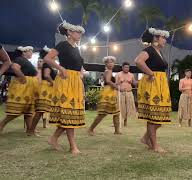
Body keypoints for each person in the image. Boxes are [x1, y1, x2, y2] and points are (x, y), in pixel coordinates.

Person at [44, 21, 86, 155]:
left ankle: (54, 138)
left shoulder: (76, 48)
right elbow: (48, 58)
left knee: (70, 114)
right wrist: (61, 68)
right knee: (69, 112)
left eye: (80, 32)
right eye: (77, 32)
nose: (79, 34)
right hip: (65, 81)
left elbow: (78, 66)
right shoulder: (63, 45)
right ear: (69, 32)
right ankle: (73, 146)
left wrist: (81, 74)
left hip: (75, 82)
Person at [135, 27, 171, 153]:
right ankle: (154, 145)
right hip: (152, 85)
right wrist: (150, 73)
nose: (165, 40)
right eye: (163, 37)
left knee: (161, 117)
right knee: (153, 117)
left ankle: (146, 138)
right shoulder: (149, 50)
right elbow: (138, 61)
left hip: (160, 85)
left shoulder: (159, 51)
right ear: (155, 38)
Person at [0, 46, 38, 135]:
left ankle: (30, 130)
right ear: (24, 52)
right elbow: (14, 67)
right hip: (22, 87)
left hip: (28, 86)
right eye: (30, 51)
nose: (32, 53)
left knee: (28, 110)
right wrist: (22, 76)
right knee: (18, 109)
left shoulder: (25, 61)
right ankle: (1, 124)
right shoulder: (20, 59)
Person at [88, 56, 122, 135]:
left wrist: (117, 84)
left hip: (110, 92)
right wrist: (116, 86)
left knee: (116, 112)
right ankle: (90, 129)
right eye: (108, 62)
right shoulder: (109, 71)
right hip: (108, 92)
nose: (110, 64)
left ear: (114, 63)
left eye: (112, 62)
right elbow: (108, 81)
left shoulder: (107, 71)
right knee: (103, 113)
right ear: (105, 64)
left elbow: (108, 81)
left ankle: (116, 131)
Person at [29, 46, 57, 136]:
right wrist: (53, 83)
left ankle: (32, 129)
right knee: (40, 110)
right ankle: (31, 130)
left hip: (44, 87)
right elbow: (47, 75)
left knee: (40, 111)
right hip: (46, 88)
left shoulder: (45, 63)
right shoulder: (47, 64)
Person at [116, 62, 137, 127]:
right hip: (121, 93)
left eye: (128, 67)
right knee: (120, 108)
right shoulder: (118, 74)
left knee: (128, 108)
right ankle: (117, 122)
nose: (127, 68)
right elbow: (115, 84)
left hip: (129, 93)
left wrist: (141, 80)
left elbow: (135, 83)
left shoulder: (131, 75)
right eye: (125, 67)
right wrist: (120, 81)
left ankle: (125, 122)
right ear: (122, 67)